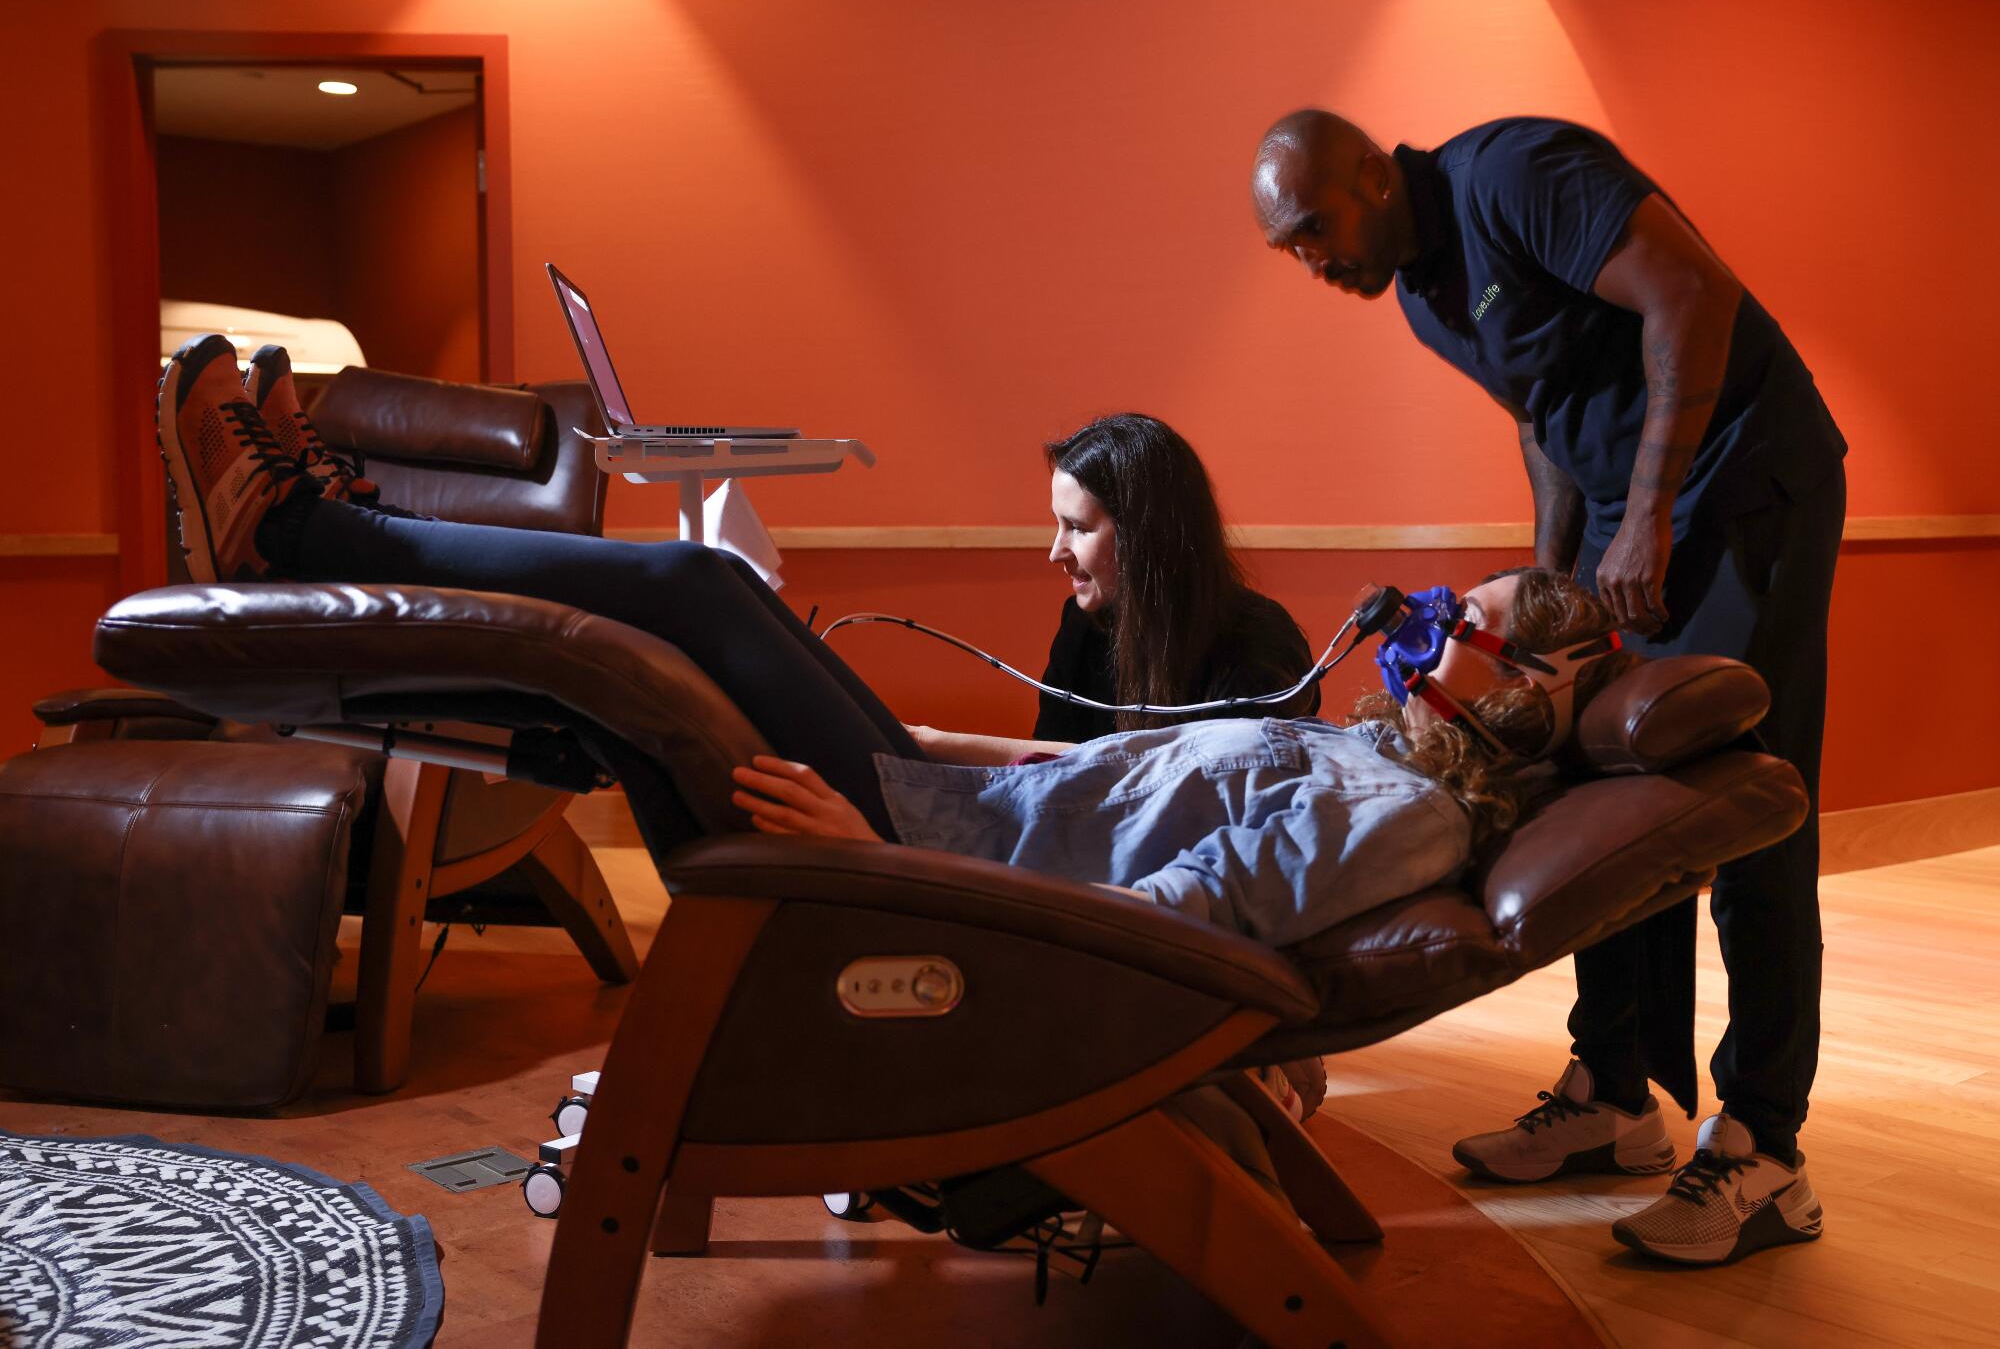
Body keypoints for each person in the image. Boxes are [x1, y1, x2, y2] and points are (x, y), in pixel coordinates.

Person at [158, 332, 1626, 950]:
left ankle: (302, 535)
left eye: (1461, 622)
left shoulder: (1405, 823)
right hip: (943, 804)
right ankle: (322, 530)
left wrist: (881, 861)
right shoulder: (1371, 760)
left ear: (1516, 695)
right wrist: (921, 752)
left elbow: (1165, 924)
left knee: (695, 600)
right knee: (646, 672)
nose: (1420, 623)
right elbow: (1094, 795)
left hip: (930, 857)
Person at [1251, 110, 1845, 1264]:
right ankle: (1620, 1097)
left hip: (1747, 484)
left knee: (1749, 798)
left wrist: (1653, 516)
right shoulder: (1422, 290)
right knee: (1598, 796)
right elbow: (1545, 420)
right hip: (1638, 520)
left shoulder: (1514, 173)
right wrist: (1555, 580)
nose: (1310, 261)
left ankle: (1765, 1149)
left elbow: (1690, 294)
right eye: (1289, 250)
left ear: (1373, 174)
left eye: (1313, 228)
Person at [906, 413, 1320, 763]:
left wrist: (934, 744)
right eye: (1058, 524)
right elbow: (1048, 776)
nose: (1055, 553)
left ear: (1146, 536)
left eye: (1078, 528)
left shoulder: (1261, 643)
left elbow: (1215, 786)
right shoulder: (1083, 623)